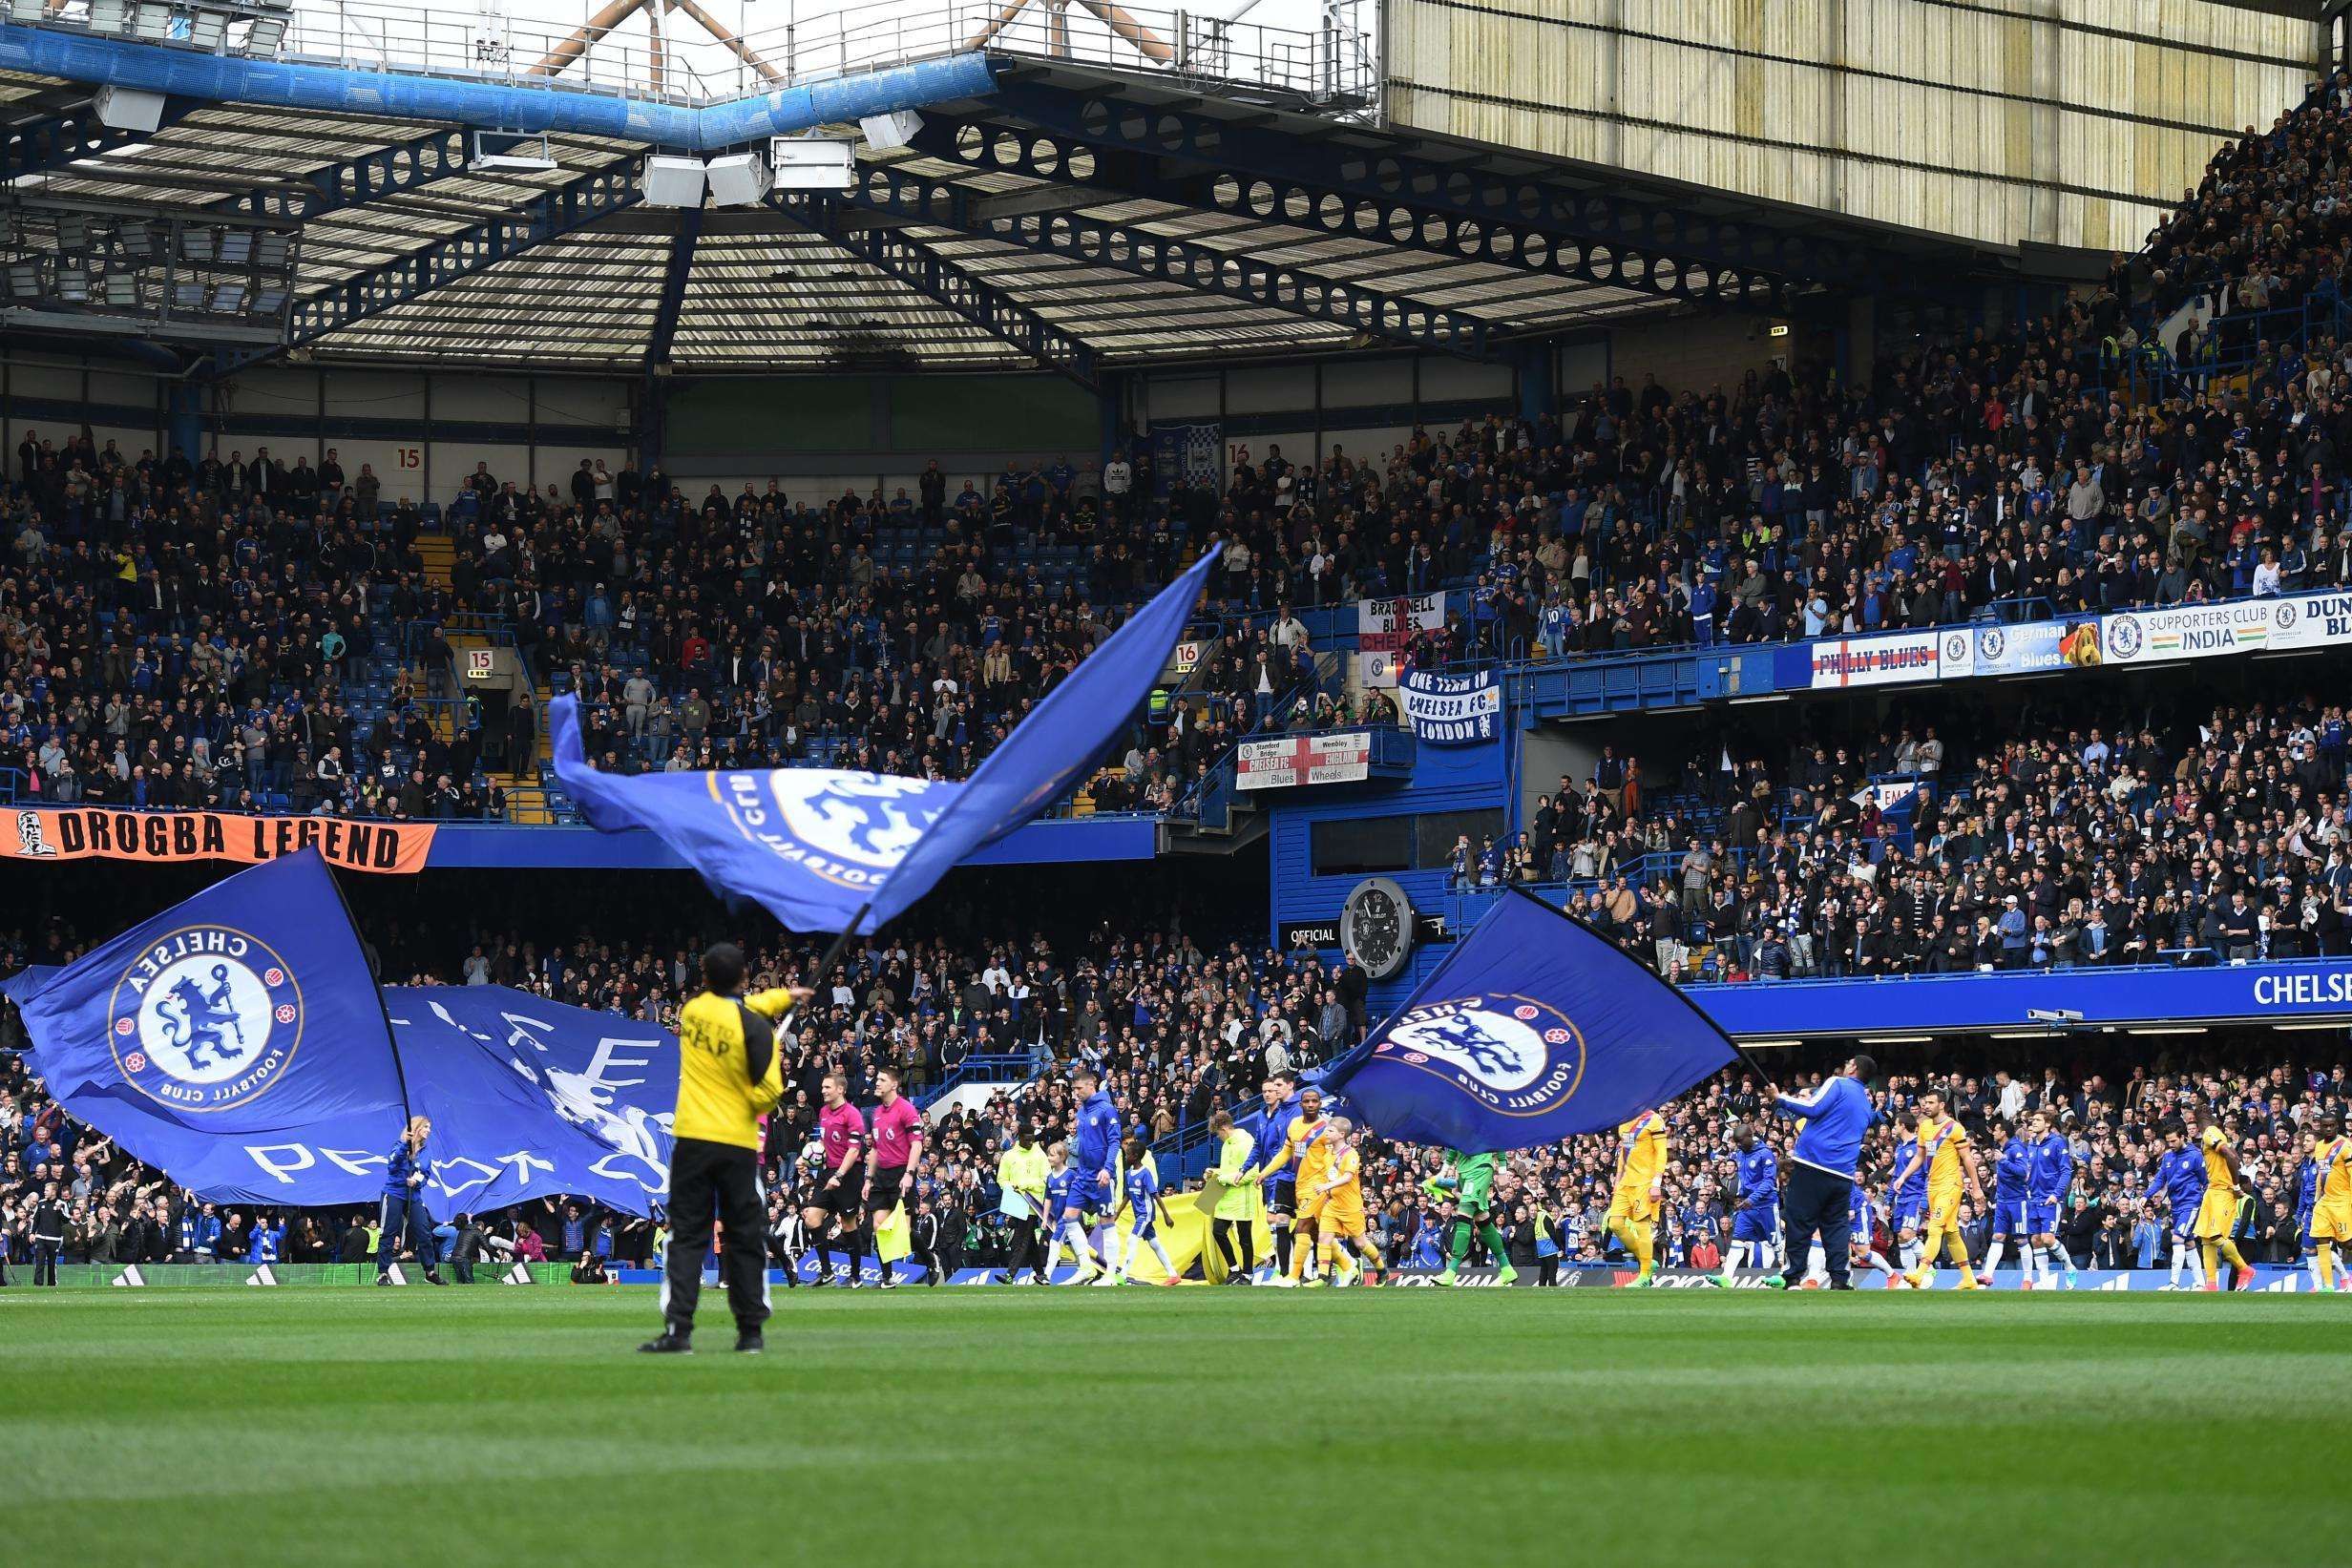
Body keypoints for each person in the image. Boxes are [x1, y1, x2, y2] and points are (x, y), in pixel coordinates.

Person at [639, 943, 807, 1355]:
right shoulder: (758, 1031)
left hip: (693, 1139)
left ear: (706, 979)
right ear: (744, 979)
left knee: (686, 1236)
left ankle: (678, 1331)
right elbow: (769, 1094)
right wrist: (742, 1097)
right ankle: (750, 1332)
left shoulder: (693, 1012)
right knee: (745, 1237)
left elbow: (737, 1004)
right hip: (736, 1143)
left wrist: (780, 998)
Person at [1761, 1054, 1880, 1291]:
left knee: (1800, 1221)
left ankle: (1793, 1276)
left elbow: (1813, 1108)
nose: (1845, 1065)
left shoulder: (1838, 1083)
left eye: (1847, 1063)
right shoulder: (1866, 1104)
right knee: (1835, 1226)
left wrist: (1780, 1097)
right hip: (1844, 1174)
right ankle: (1839, 1279)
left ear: (1853, 1068)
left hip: (1814, 1165)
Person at [1896, 1088, 1986, 1291]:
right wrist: (1903, 1176)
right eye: (1925, 1102)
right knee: (1952, 1232)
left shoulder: (1955, 1128)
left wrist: (1977, 1188)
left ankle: (1920, 1274)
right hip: (1933, 1186)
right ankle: (1969, 1279)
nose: (1926, 1106)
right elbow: (1919, 1156)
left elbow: (1967, 1159)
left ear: (1942, 1105)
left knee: (1935, 1227)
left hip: (1951, 1185)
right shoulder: (1925, 1127)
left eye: (1930, 1103)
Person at [1261, 1084, 1335, 1287]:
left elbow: (1330, 1158)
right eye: (1307, 1101)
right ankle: (1345, 1265)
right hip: (1294, 1182)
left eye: (1315, 1101)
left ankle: (1295, 1276)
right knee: (1309, 1230)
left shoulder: (1326, 1128)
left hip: (1317, 1186)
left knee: (1302, 1228)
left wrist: (1330, 1185)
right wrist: (1264, 1172)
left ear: (1320, 1104)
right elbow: (1285, 1152)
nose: (1311, 1104)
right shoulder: (1293, 1124)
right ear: (1300, 1104)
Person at [863, 1065, 924, 1291]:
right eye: (876, 1079)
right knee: (879, 1227)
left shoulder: (906, 1109)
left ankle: (929, 1259)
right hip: (881, 1176)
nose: (876, 1083)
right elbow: (876, 1150)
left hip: (901, 1173)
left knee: (904, 1232)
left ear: (894, 1085)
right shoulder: (876, 1112)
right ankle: (887, 1278)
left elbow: (917, 1144)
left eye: (881, 1079)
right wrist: (868, 1178)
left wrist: (909, 1174)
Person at [805, 1071, 867, 1287]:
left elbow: (853, 1150)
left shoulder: (852, 1114)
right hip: (828, 1172)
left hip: (849, 1174)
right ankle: (827, 1273)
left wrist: (839, 1175)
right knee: (811, 1217)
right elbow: (823, 1144)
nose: (823, 1091)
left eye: (827, 1087)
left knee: (848, 1223)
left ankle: (856, 1276)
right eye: (822, 1087)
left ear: (840, 1089)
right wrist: (807, 1158)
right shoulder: (823, 1112)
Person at [1060, 1065, 1122, 1284]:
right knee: (1069, 1217)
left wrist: (1108, 1169)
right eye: (1073, 1089)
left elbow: (1115, 1142)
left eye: (1079, 1088)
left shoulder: (1107, 1109)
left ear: (1091, 1084)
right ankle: (1086, 1267)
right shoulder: (1081, 1111)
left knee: (1106, 1222)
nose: (1076, 1092)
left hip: (1101, 1178)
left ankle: (1111, 1274)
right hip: (1083, 1177)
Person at [376, 1116, 448, 1286]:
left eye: (430, 1127)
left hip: (414, 1196)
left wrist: (417, 1182)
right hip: (394, 1193)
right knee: (389, 1232)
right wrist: (404, 1147)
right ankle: (383, 1273)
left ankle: (430, 1272)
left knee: (424, 1233)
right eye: (426, 1127)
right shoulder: (399, 1145)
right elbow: (391, 1166)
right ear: (416, 1128)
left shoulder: (426, 1152)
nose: (429, 1130)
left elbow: (426, 1174)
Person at [1312, 1118, 1381, 1286]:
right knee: (1323, 1238)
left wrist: (1326, 1186)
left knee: (1361, 1243)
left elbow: (1348, 1176)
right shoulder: (1328, 1153)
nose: (1326, 1133)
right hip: (1332, 1204)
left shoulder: (1351, 1154)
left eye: (1330, 1131)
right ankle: (1322, 1278)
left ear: (1341, 1134)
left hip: (1350, 1206)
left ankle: (1382, 1271)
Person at [1428, 1146, 1510, 1287]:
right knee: (1482, 1221)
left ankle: (1451, 1272)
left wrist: (1502, 1170)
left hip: (1480, 1169)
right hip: (1464, 1172)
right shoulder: (1456, 1126)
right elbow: (1453, 1147)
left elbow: (1498, 1137)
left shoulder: (1483, 1123)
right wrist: (1442, 1172)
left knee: (1463, 1217)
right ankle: (1507, 1269)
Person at [1606, 1106, 1669, 1286]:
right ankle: (1646, 1259)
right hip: (1626, 1182)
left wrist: (1656, 1183)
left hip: (1645, 1182)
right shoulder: (1625, 1119)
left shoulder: (1654, 1120)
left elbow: (1662, 1153)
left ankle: (1644, 1275)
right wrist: (1617, 1180)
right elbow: (1624, 1154)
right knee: (1615, 1224)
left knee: (1642, 1227)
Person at [2193, 1120, 2257, 1292]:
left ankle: (2244, 1269)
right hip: (2212, 1190)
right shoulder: (2220, 1136)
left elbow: (2233, 1157)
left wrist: (2236, 1186)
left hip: (2222, 1191)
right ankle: (2211, 1284)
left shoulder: (2209, 1132)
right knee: (2206, 1238)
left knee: (2215, 1235)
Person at [2146, 1120, 2210, 1289]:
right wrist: (2146, 1195)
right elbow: (2160, 1179)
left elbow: (2205, 1182)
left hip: (2191, 1203)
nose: (2171, 1144)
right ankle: (2200, 1284)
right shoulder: (2168, 1156)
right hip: (2176, 1205)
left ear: (2183, 1137)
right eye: (2168, 1141)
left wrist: (2204, 1203)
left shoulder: (2195, 1155)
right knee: (2188, 1243)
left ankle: (2174, 1283)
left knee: (2177, 1238)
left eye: (2174, 1141)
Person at [1715, 1120, 1779, 1285]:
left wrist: (1752, 1198)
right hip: (1747, 1206)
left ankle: (1786, 1275)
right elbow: (1745, 1179)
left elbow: (1769, 1182)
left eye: (1740, 1142)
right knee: (1738, 1239)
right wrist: (1740, 1197)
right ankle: (1726, 1278)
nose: (1738, 1146)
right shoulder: (1740, 1152)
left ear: (1750, 1137)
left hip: (1765, 1205)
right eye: (1736, 1143)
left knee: (1776, 1242)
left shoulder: (1765, 1153)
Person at [1107, 1135, 1176, 1286]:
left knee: (1132, 1239)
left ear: (1136, 1156)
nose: (1126, 1157)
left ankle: (1123, 1275)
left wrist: (1166, 1215)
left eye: (1128, 1155)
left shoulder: (1145, 1173)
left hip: (1146, 1213)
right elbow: (1127, 1195)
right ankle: (1173, 1274)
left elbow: (1155, 1195)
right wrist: (1117, 1214)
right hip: (1139, 1213)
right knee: (1154, 1243)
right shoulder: (1129, 1173)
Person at [2026, 1109, 2078, 1289]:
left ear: (2047, 1124)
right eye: (2033, 1120)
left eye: (2037, 1120)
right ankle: (2045, 1281)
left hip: (2050, 1199)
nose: (2033, 1122)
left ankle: (2070, 1267)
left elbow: (2066, 1171)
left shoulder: (2057, 1143)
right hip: (2033, 1199)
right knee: (2035, 1240)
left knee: (2048, 1239)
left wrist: (2056, 1193)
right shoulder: (2031, 1144)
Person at [994, 1124, 1050, 1284]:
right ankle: (1040, 1274)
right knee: (1029, 1240)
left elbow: (1046, 1179)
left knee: (1021, 1239)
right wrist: (1010, 1188)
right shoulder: (1009, 1156)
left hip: (1033, 1205)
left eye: (1032, 1140)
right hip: (1016, 1204)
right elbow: (1002, 1179)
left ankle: (1010, 1274)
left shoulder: (1040, 1155)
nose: (1030, 1143)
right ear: (1019, 1138)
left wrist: (1026, 1185)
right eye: (1027, 1140)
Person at [1208, 1108, 1257, 1283]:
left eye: (1217, 1134)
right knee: (1218, 1231)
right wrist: (1214, 1172)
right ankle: (1235, 1269)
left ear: (1224, 1129)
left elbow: (1253, 1171)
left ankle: (1248, 1273)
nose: (1218, 1137)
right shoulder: (1226, 1144)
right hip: (1226, 1197)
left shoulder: (1246, 1141)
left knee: (1245, 1237)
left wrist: (1225, 1178)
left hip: (1243, 1196)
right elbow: (1229, 1170)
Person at [1978, 1119, 2031, 1285]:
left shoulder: (2016, 1148)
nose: (1993, 1132)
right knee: (1998, 1235)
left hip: (2017, 1201)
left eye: (1996, 1130)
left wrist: (2004, 1161)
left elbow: (2023, 1172)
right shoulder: (2002, 1149)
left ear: (2004, 1133)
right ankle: (1987, 1274)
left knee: (2021, 1239)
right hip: (2002, 1201)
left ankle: (2028, 1278)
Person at [2307, 1114, 2351, 1293]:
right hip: (2324, 1202)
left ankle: (2346, 1279)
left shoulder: (2345, 1146)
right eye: (2325, 1126)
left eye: (2331, 1126)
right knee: (2321, 1240)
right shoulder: (2318, 1147)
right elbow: (2321, 1174)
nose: (2328, 1129)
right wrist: (2318, 1198)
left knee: (2347, 1244)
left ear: (2337, 1126)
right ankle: (2329, 1287)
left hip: (2342, 1201)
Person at [1888, 1111, 1928, 1274]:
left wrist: (1924, 1200)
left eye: (1895, 1125)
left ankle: (1928, 1267)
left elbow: (1928, 1175)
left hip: (1915, 1197)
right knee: (1901, 1237)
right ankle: (1910, 1276)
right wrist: (1888, 1199)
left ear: (1903, 1126)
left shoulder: (1919, 1147)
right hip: (1901, 1199)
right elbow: (1897, 1175)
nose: (1894, 1128)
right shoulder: (1899, 1149)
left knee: (1907, 1234)